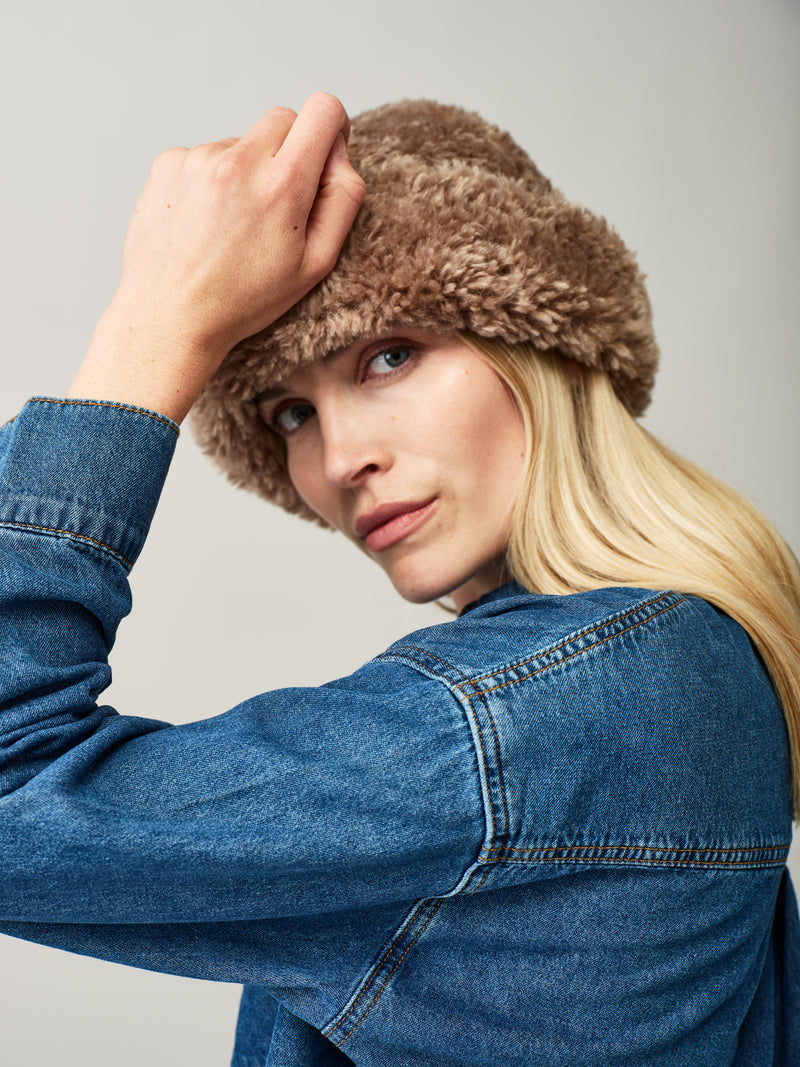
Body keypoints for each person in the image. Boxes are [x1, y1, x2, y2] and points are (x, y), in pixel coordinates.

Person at [1, 91, 798, 1066]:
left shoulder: (518, 722)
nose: (338, 457)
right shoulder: (695, 664)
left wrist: (156, 326)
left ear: (536, 344)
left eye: (389, 355)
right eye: (289, 412)